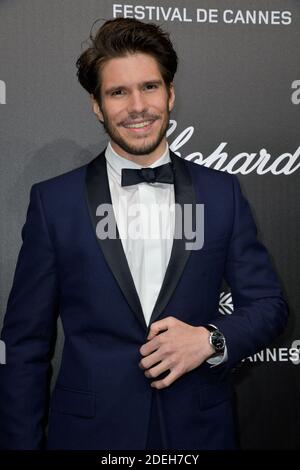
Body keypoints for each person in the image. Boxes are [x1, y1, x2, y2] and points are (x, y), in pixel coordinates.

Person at [0, 17, 288, 450]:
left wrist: (210, 340)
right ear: (97, 105)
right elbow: (24, 345)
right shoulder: (53, 203)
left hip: (200, 433)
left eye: (149, 87)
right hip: (90, 437)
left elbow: (269, 305)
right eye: (118, 92)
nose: (137, 106)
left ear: (170, 94)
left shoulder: (220, 193)